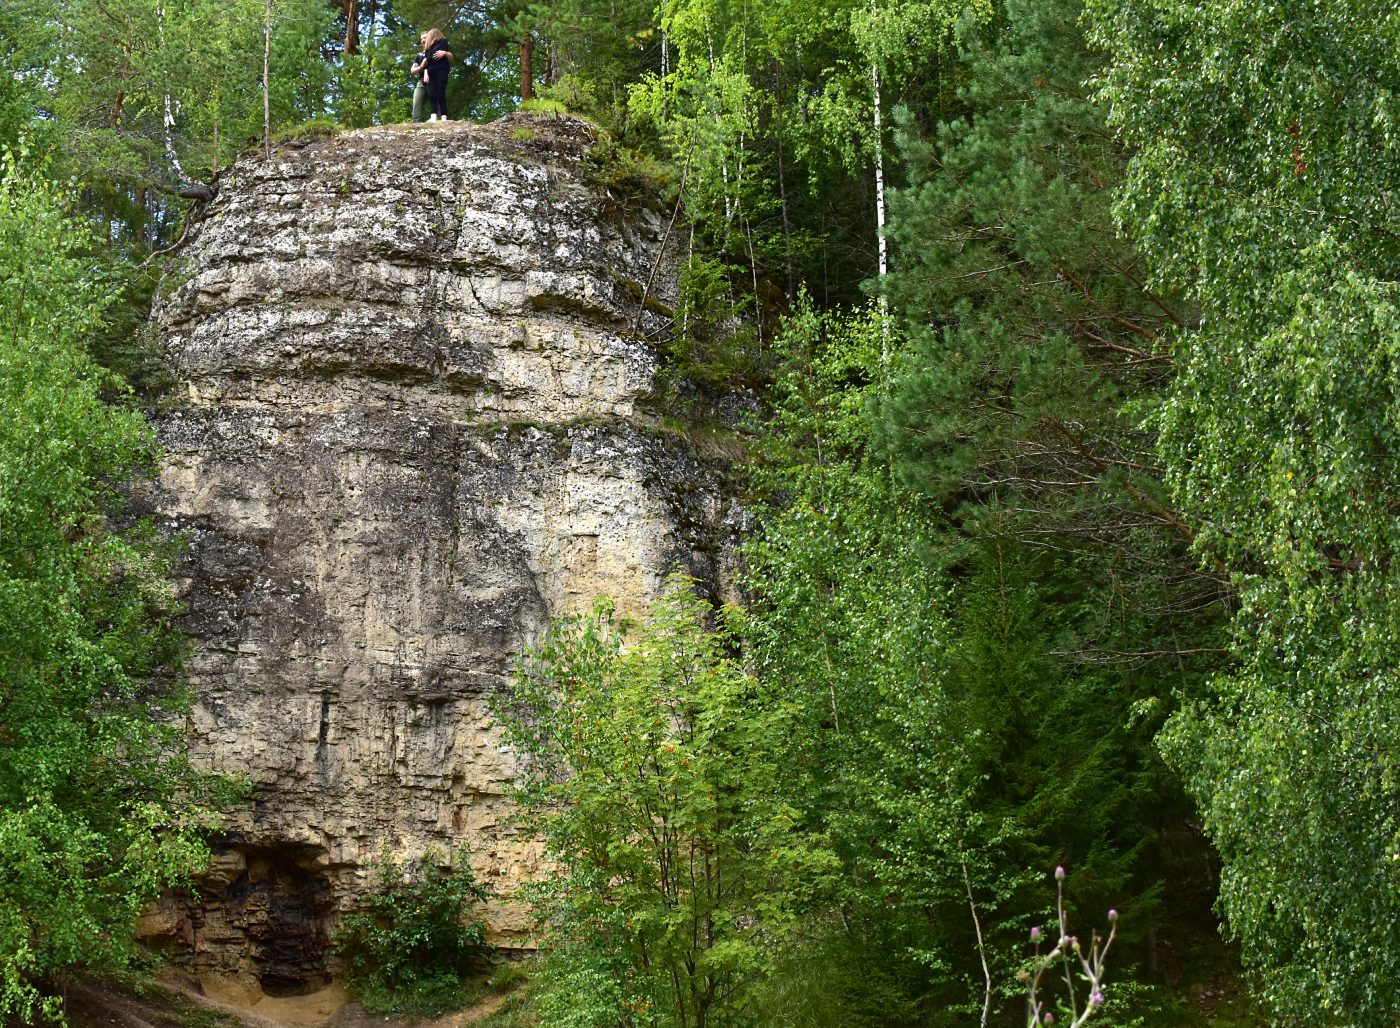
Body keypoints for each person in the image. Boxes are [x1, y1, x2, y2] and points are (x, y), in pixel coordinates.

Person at [421, 28, 453, 122]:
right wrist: (426, 72)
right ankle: (433, 116)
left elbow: (433, 57)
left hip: (441, 71)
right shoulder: (428, 48)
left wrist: (429, 59)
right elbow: (429, 59)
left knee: (440, 94)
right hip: (430, 72)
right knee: (432, 94)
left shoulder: (443, 41)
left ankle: (444, 117)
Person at [410, 32, 429, 122]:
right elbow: (412, 71)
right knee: (416, 105)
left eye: (425, 37)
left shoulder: (436, 51)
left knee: (438, 106)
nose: (423, 40)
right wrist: (421, 66)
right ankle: (416, 126)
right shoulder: (419, 55)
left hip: (434, 81)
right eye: (421, 38)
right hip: (421, 82)